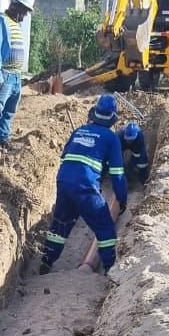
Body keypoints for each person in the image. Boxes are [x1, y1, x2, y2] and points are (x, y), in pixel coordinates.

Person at [39, 93, 127, 275]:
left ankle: (45, 263)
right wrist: (122, 198)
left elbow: (65, 157)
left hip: (63, 181)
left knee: (60, 225)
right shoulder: (111, 138)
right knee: (104, 226)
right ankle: (110, 267)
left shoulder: (79, 130)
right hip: (85, 187)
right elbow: (117, 174)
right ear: (112, 117)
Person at [0, 0, 34, 153]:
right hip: (4, 75)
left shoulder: (15, 24)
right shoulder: (1, 21)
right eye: (25, 11)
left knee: (9, 111)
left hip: (15, 77)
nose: (26, 15)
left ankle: (4, 138)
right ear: (16, 5)